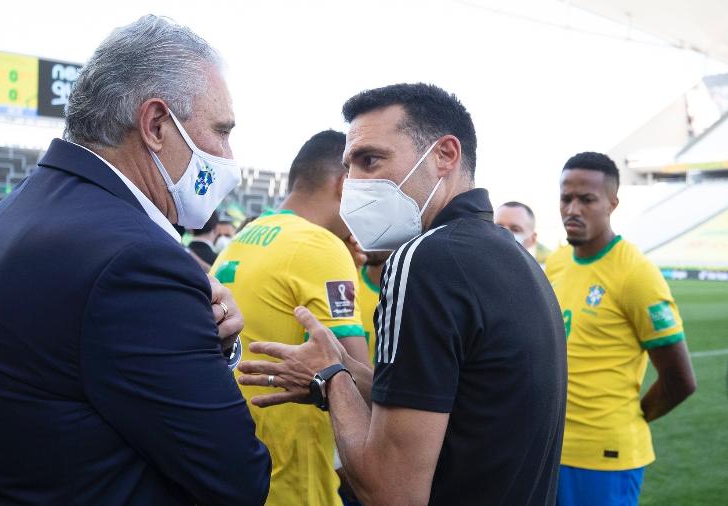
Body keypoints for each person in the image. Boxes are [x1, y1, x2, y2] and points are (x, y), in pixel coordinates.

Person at [0, 16, 270, 505]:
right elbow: (237, 478)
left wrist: (206, 343)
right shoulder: (135, 260)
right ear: (156, 124)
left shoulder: (14, 212)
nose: (227, 154)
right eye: (221, 131)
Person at [239, 83, 567, 505]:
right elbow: (449, 402)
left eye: (369, 160)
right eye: (348, 165)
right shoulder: (512, 256)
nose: (352, 182)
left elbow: (392, 494)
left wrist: (330, 378)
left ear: (445, 155)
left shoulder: (422, 260)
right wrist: (341, 372)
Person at [212, 129, 369, 506]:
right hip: (297, 485)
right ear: (343, 184)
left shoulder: (246, 235)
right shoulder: (320, 245)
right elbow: (360, 386)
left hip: (241, 469)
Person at [545, 152, 697, 506]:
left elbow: (680, 380)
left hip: (604, 459)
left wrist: (627, 419)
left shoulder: (635, 273)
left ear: (612, 203)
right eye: (566, 198)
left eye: (587, 200)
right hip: (550, 448)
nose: (573, 210)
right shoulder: (557, 262)